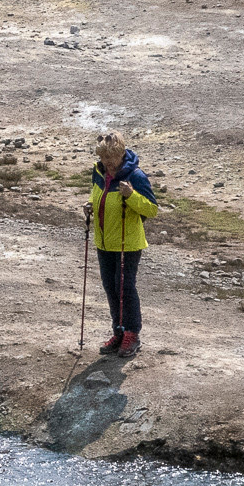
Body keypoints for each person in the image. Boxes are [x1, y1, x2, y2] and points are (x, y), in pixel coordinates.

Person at [86, 130, 159, 358]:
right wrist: (89, 205)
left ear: (121, 153)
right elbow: (98, 196)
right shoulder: (99, 173)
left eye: (112, 158)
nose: (108, 163)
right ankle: (118, 332)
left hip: (128, 243)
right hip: (104, 242)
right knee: (110, 287)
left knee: (125, 288)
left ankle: (132, 335)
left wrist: (131, 196)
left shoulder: (135, 176)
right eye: (104, 158)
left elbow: (152, 210)